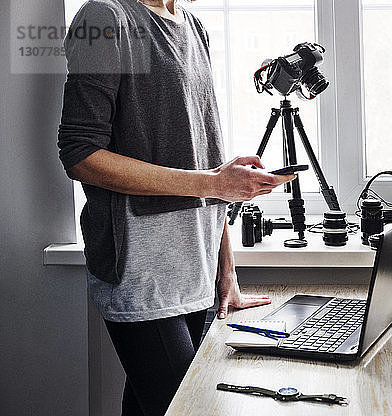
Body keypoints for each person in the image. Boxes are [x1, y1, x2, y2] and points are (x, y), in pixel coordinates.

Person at [57, 0, 295, 415]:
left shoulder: (193, 26)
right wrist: (213, 182)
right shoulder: (104, 18)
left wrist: (227, 271)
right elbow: (80, 154)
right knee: (190, 409)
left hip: (197, 272)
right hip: (143, 270)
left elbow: (208, 168)